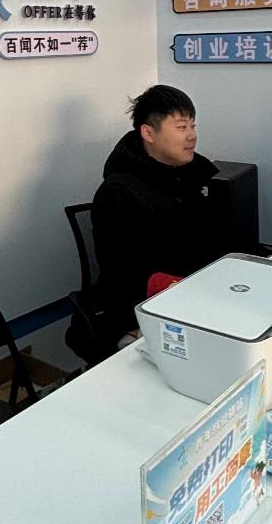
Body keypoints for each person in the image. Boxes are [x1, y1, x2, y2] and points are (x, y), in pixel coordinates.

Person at [87, 85, 225, 358]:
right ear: (148, 133)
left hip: (197, 293)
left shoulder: (193, 174)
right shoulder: (118, 193)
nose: (192, 136)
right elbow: (126, 275)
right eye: (181, 127)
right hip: (141, 312)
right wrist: (201, 292)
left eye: (193, 126)